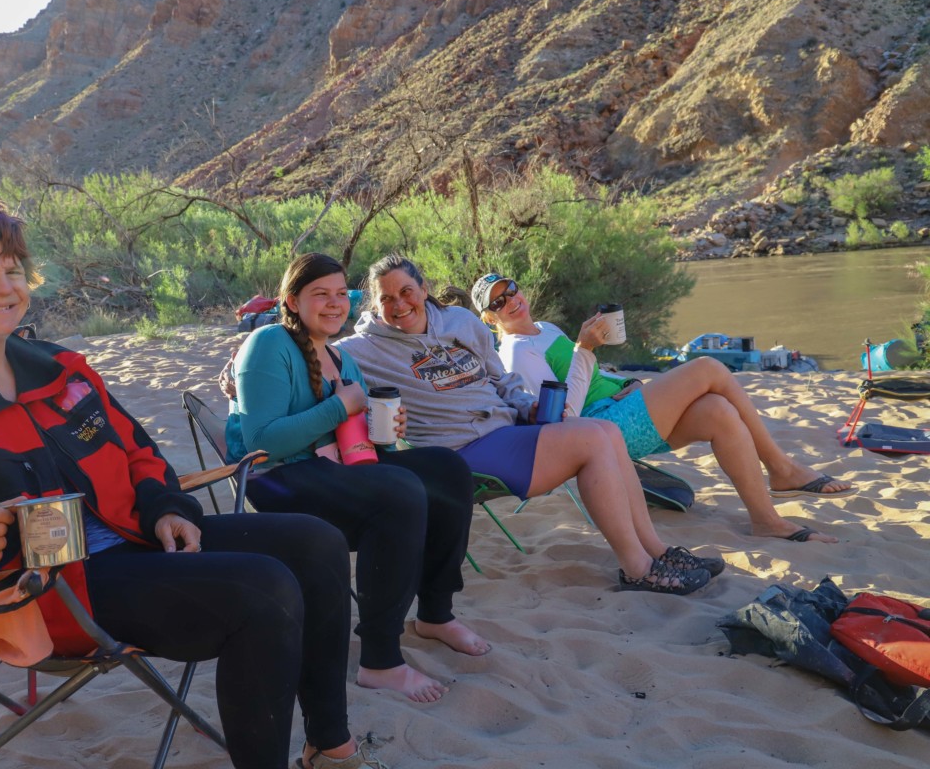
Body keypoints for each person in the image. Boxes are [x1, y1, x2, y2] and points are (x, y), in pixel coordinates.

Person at [0, 191, 385, 769]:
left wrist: (167, 509)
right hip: (51, 592)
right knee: (263, 587)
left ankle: (331, 747)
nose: (4, 286)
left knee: (314, 542)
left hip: (135, 540)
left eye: (12, 269)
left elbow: (142, 456)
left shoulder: (62, 370)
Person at [335, 255, 723, 597]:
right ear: (376, 305)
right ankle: (638, 569)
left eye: (406, 291)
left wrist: (526, 406)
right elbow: (315, 356)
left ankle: (655, 551)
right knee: (591, 435)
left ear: (423, 288)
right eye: (387, 298)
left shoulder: (459, 321)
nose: (399, 304)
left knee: (606, 432)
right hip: (457, 453)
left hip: (508, 431)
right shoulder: (365, 348)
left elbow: (501, 379)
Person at [227, 253, 489, 705]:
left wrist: (388, 430)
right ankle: (380, 661)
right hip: (279, 479)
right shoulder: (269, 343)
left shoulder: (339, 358)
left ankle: (435, 614)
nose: (333, 304)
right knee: (398, 494)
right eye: (319, 294)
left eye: (339, 294)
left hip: (336, 470)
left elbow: (359, 442)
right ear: (292, 300)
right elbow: (263, 441)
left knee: (448, 471)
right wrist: (341, 406)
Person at [473, 272, 849, 544]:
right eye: (498, 302)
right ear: (489, 318)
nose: (510, 300)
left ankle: (765, 519)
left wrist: (615, 376)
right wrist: (585, 348)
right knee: (708, 367)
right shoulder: (517, 351)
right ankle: (782, 469)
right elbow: (562, 416)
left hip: (621, 403)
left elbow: (582, 375)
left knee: (719, 410)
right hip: (601, 428)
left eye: (510, 289)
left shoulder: (544, 328)